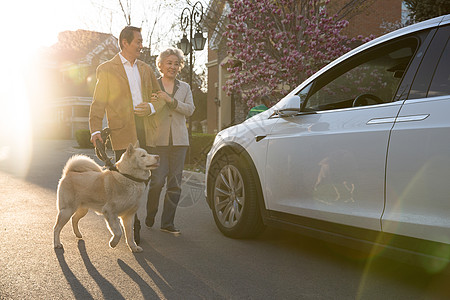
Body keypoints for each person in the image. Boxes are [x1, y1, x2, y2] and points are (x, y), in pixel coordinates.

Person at [89, 26, 165, 244]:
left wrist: (150, 107)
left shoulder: (145, 68)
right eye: (138, 41)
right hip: (123, 131)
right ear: (125, 42)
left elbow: (159, 97)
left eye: (141, 41)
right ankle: (134, 222)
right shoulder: (107, 69)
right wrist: (95, 130)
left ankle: (134, 214)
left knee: (147, 176)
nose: (141, 45)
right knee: (124, 180)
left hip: (146, 127)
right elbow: (98, 103)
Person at [145, 47, 195, 234]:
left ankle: (167, 223)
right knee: (157, 181)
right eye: (169, 63)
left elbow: (190, 110)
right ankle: (151, 214)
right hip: (157, 141)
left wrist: (171, 101)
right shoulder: (152, 86)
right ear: (161, 65)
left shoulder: (185, 87)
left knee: (175, 183)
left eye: (176, 63)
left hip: (180, 142)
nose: (173, 67)